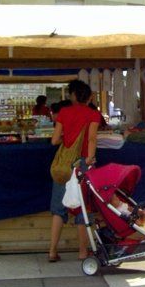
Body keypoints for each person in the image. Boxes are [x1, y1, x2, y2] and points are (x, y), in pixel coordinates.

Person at [49, 80, 101, 262]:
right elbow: (93, 139)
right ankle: (82, 252)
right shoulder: (93, 114)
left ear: (73, 96)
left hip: (64, 165)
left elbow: (54, 141)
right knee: (83, 208)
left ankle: (52, 252)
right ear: (89, 97)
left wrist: (67, 136)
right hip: (83, 164)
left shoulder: (63, 112)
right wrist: (89, 158)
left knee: (58, 208)